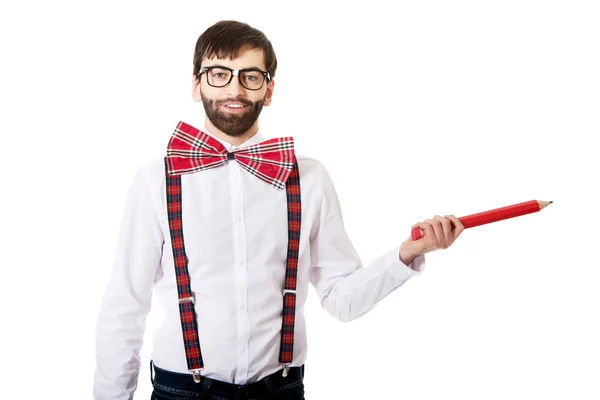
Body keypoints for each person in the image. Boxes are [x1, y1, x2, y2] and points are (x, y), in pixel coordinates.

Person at [93, 20, 464, 400]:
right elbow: (125, 307)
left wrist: (408, 254)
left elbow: (341, 298)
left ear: (268, 90)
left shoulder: (309, 178)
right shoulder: (157, 179)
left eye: (250, 76)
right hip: (181, 391)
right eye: (219, 74)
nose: (234, 89)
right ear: (196, 84)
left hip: (280, 390)